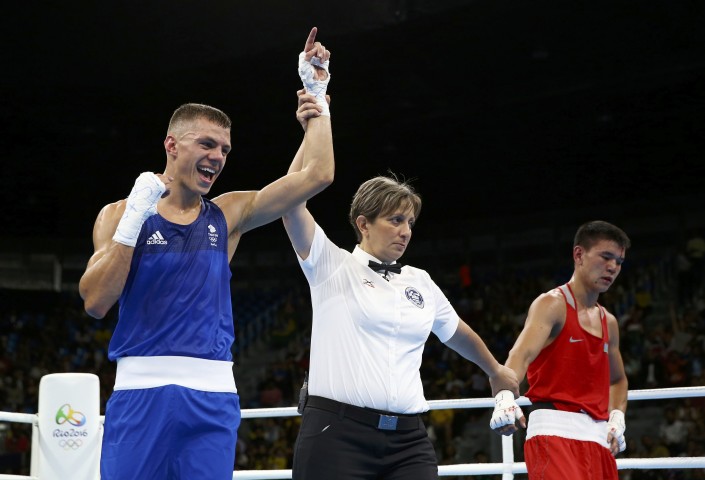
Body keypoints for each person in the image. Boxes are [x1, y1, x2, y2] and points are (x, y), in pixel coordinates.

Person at [78, 27, 334, 480]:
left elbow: (317, 175)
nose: (218, 156)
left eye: (225, 149)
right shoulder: (118, 214)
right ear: (172, 146)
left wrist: (318, 99)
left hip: (213, 395)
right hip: (140, 394)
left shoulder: (228, 214)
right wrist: (135, 219)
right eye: (207, 144)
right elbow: (96, 302)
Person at [280, 132, 519, 479]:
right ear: (363, 224)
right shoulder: (332, 265)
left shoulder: (420, 280)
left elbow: (457, 333)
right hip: (337, 435)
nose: (405, 231)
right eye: (395, 220)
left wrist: (495, 371)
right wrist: (314, 129)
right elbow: (289, 203)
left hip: (408, 441)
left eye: (409, 223)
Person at [490, 220, 631, 480]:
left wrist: (617, 417)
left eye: (619, 261)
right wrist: (504, 397)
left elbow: (618, 379)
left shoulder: (609, 322)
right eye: (606, 257)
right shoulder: (551, 305)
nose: (613, 267)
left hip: (598, 440)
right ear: (579, 254)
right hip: (554, 434)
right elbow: (520, 355)